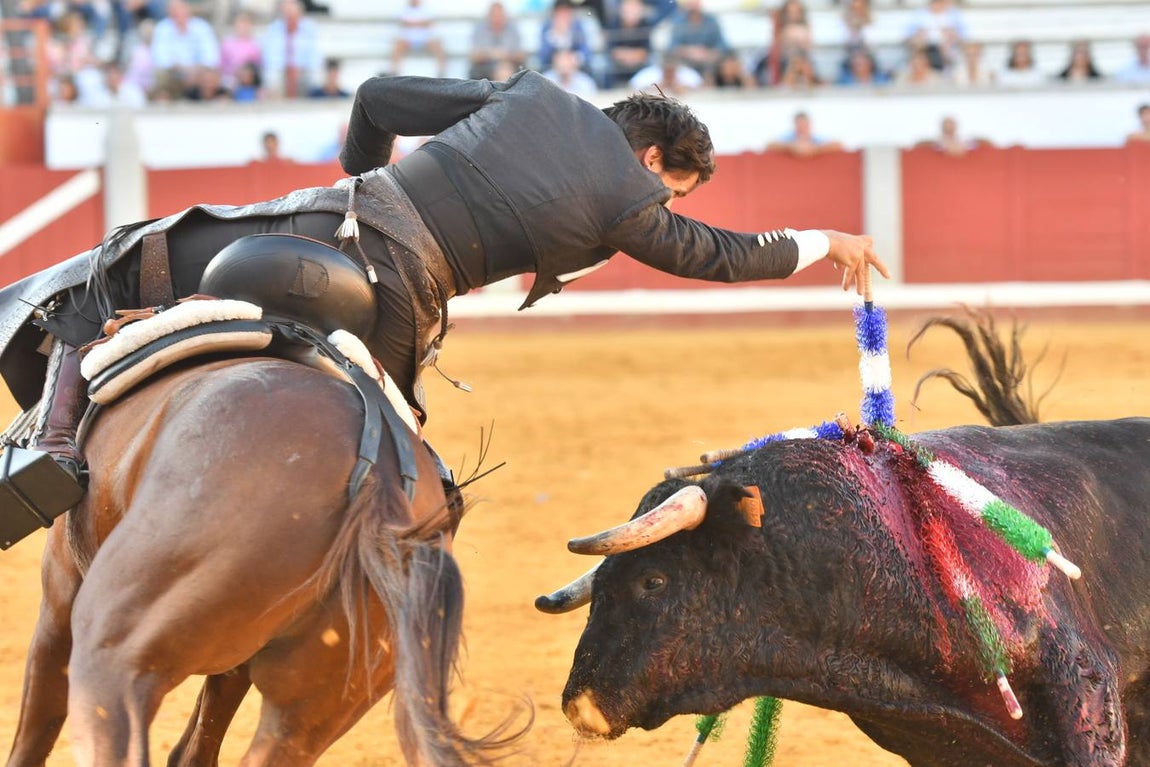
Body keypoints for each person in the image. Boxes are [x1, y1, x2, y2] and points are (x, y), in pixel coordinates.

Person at [0, 70, 887, 528]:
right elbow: (722, 256)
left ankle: (51, 445)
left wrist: (362, 185)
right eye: (671, 194)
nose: (663, 212)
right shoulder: (627, 197)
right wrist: (826, 242)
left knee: (124, 262)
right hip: (394, 297)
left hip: (315, 221)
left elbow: (377, 97)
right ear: (653, 161)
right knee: (392, 478)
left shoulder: (532, 95)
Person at [149, 0, 220, 98]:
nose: (178, 14)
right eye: (174, 11)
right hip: (174, 74)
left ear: (188, 10)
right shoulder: (162, 28)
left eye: (181, 10)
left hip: (198, 73)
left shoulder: (202, 27)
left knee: (210, 77)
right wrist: (182, 70)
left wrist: (195, 70)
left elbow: (211, 58)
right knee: (161, 77)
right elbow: (160, 60)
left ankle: (207, 107)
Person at [260, 0, 323, 97]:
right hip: (281, 71)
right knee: (273, 77)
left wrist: (299, 68)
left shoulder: (310, 29)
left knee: (313, 77)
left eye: (293, 15)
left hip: (304, 70)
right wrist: (286, 69)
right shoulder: (273, 29)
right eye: (287, 15)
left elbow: (315, 55)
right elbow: (270, 57)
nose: (290, 19)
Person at [666, 0, 728, 79]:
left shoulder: (711, 21)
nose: (694, 8)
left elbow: (722, 45)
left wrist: (709, 53)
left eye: (696, 3)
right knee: (673, 62)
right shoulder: (678, 22)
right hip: (686, 60)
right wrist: (690, 51)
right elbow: (672, 46)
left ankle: (710, 84)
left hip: (709, 59)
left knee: (724, 62)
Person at [601, 0, 653, 89]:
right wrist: (629, 55)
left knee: (652, 64)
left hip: (639, 62)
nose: (631, 13)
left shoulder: (645, 24)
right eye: (628, 9)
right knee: (603, 65)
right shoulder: (613, 24)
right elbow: (611, 50)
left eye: (634, 9)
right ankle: (607, 91)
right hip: (617, 62)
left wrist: (630, 55)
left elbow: (646, 51)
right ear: (622, 10)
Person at [468, 1, 525, 81]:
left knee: (506, 70)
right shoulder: (480, 28)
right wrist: (491, 54)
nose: (498, 18)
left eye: (500, 15)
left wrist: (506, 56)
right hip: (486, 66)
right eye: (495, 15)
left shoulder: (513, 28)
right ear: (489, 16)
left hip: (509, 65)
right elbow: (474, 56)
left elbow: (521, 55)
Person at [390, 0, 448, 78]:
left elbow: (428, 23)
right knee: (397, 45)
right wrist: (420, 23)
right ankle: (395, 72)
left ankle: (441, 72)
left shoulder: (427, 8)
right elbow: (403, 23)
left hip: (425, 37)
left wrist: (411, 23)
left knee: (438, 45)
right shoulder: (403, 8)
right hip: (408, 38)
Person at [766, 110, 843, 156]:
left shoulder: (816, 138)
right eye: (800, 125)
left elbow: (838, 144)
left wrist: (815, 149)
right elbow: (769, 145)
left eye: (804, 124)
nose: (802, 127)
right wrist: (791, 148)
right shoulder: (789, 138)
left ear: (809, 124)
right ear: (795, 125)